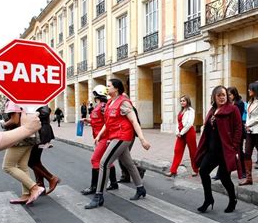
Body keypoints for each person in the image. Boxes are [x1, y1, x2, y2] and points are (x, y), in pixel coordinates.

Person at [85, 79, 151, 209]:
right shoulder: (110, 102)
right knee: (128, 163)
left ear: (116, 88)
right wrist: (99, 135)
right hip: (114, 135)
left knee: (104, 163)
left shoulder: (124, 102)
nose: (106, 88)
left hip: (122, 136)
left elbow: (134, 121)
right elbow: (107, 123)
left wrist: (142, 139)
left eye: (109, 86)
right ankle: (140, 188)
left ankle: (98, 196)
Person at [195, 85, 241, 213]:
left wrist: (234, 146)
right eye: (219, 95)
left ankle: (233, 200)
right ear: (214, 97)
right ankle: (208, 199)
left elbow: (238, 128)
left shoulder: (233, 109)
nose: (222, 97)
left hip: (225, 151)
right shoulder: (212, 110)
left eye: (224, 95)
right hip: (212, 150)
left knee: (225, 178)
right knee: (203, 171)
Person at [1, 100, 45, 205]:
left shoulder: (13, 100)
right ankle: (26, 195)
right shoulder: (24, 99)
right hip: (31, 136)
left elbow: (15, 120)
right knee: (22, 166)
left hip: (19, 138)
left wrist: (3, 124)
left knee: (7, 166)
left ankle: (34, 188)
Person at [81, 85, 118, 195]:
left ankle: (94, 186)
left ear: (96, 95)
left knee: (95, 160)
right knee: (106, 161)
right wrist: (88, 121)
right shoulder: (100, 106)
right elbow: (99, 122)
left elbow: (108, 123)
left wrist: (108, 138)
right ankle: (114, 183)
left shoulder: (102, 107)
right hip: (101, 137)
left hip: (104, 138)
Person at [239, 81, 258, 185]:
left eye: (250, 89)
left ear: (255, 90)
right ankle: (249, 178)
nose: (248, 91)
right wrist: (247, 125)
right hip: (250, 132)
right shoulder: (251, 101)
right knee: (247, 154)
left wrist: (249, 124)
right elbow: (248, 115)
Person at [28, 105, 60, 195]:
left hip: (41, 132)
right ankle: (41, 186)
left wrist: (30, 114)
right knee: (35, 160)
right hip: (41, 131)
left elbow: (45, 112)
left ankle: (51, 178)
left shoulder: (39, 99)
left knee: (30, 161)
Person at [165, 95, 198, 177]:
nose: (182, 102)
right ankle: (173, 170)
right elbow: (178, 123)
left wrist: (181, 132)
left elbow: (189, 124)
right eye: (181, 101)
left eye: (184, 101)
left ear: (187, 101)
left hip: (189, 133)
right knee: (177, 150)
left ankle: (196, 169)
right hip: (181, 133)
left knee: (193, 152)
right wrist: (177, 132)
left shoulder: (191, 111)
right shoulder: (181, 111)